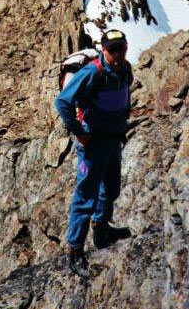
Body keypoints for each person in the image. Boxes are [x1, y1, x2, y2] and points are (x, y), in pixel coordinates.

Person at [54, 29, 133, 279]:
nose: (118, 54)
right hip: (93, 140)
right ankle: (75, 250)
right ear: (103, 50)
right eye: (112, 50)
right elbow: (63, 102)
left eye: (121, 48)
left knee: (110, 188)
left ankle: (101, 229)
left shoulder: (125, 70)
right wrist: (79, 131)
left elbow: (123, 98)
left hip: (112, 137)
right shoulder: (93, 72)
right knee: (86, 193)